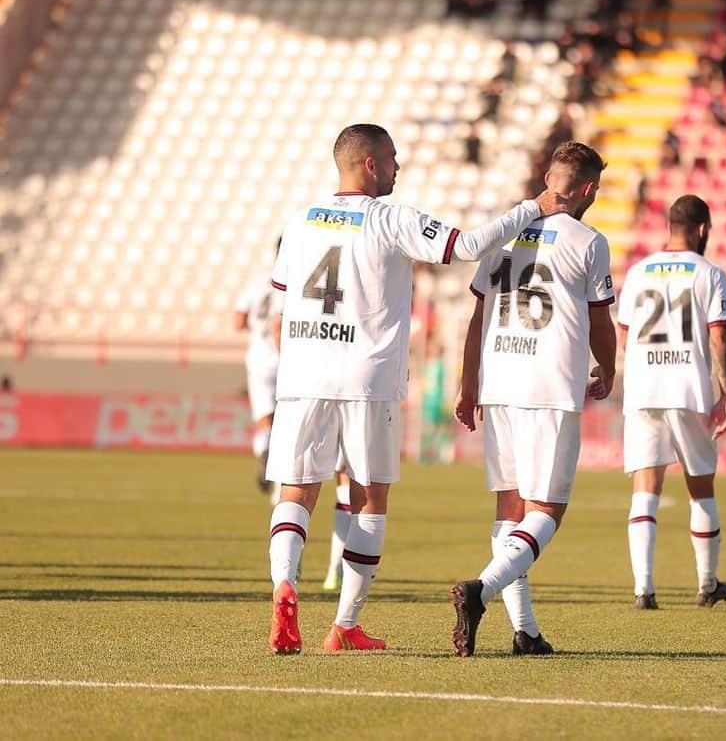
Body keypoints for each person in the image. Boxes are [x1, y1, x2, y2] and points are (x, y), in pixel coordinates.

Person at [264, 124, 568, 655]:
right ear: (370, 166)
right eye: (392, 158)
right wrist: (532, 207)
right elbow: (470, 245)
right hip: (367, 377)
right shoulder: (391, 218)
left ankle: (284, 583)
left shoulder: (300, 220)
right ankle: (344, 626)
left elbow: (282, 301)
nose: (399, 166)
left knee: (297, 490)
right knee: (368, 500)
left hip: (302, 374)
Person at [451, 141, 616, 657]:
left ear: (549, 176)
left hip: (499, 381)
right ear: (587, 189)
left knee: (510, 508)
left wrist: (468, 382)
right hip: (548, 387)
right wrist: (608, 367)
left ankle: (525, 632)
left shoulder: (502, 233)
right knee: (546, 511)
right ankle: (481, 589)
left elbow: (477, 315)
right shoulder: (589, 240)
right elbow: (599, 319)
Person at [616, 194, 726, 610]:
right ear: (703, 229)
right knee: (700, 488)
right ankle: (707, 583)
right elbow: (718, 335)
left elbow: (625, 337)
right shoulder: (710, 273)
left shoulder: (637, 271)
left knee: (645, 490)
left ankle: (643, 588)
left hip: (644, 388)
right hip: (688, 388)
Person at [233, 240, 284, 492]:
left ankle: (265, 453)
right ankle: (281, 468)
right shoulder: (296, 279)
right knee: (288, 420)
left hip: (259, 357)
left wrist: (256, 327)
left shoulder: (257, 281)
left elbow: (238, 320)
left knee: (266, 420)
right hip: (286, 356)